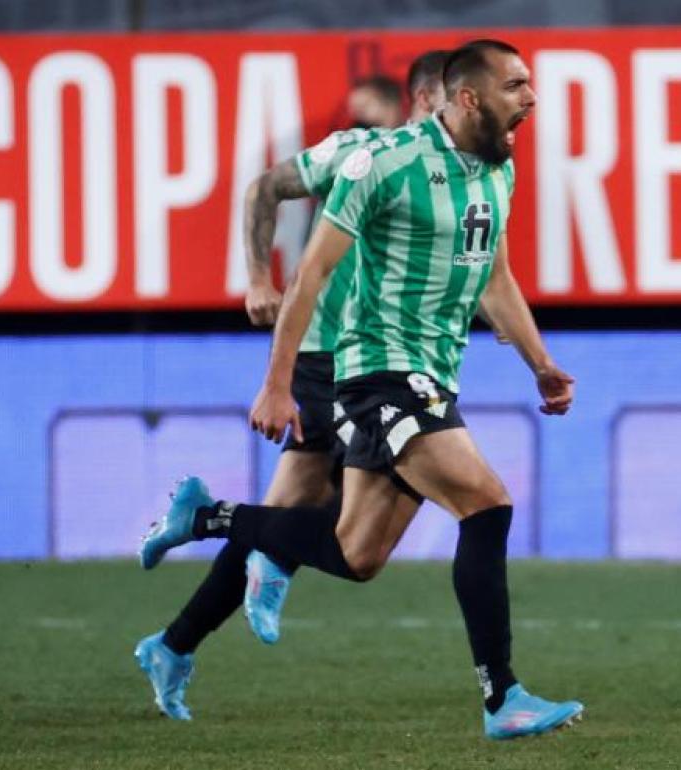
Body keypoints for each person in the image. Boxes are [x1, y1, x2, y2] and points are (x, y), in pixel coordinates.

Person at [140, 40, 584, 740]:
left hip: (434, 374)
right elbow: (312, 273)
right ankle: (503, 698)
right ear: (465, 97)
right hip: (379, 371)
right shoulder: (381, 161)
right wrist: (276, 384)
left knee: (357, 555)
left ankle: (207, 518)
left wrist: (540, 363)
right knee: (487, 505)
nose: (531, 97)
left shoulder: (498, 171)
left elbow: (495, 278)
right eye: (517, 85)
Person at [132, 50, 450, 721]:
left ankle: (177, 634)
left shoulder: (454, 178)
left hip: (383, 361)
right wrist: (256, 278)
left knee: (299, 514)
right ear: (430, 99)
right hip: (331, 358)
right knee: (355, 520)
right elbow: (262, 189)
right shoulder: (364, 153)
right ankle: (220, 547)